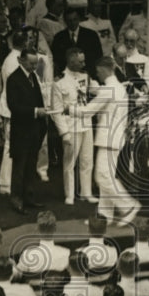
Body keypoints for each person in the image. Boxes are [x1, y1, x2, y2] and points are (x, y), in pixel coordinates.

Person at [73, 56, 141, 223]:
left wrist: (68, 109)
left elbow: (88, 111)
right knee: (106, 176)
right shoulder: (119, 88)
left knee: (102, 177)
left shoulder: (109, 88)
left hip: (109, 139)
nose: (97, 75)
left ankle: (128, 205)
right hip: (115, 138)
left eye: (97, 72)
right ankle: (104, 216)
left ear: (104, 70)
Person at [51, 46, 96, 205]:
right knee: (69, 163)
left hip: (86, 123)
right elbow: (56, 110)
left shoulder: (85, 76)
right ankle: (69, 194)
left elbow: (96, 90)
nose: (84, 64)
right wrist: (63, 133)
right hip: (71, 126)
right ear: (71, 61)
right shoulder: (59, 82)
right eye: (80, 61)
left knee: (87, 160)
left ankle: (86, 192)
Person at [6, 49, 49, 215]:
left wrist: (40, 116)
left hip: (34, 129)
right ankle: (16, 199)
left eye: (36, 63)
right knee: (19, 167)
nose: (34, 66)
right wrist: (35, 111)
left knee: (31, 165)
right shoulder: (13, 79)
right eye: (31, 63)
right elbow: (14, 107)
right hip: (21, 130)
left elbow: (39, 99)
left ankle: (29, 197)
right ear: (20, 60)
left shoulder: (33, 77)